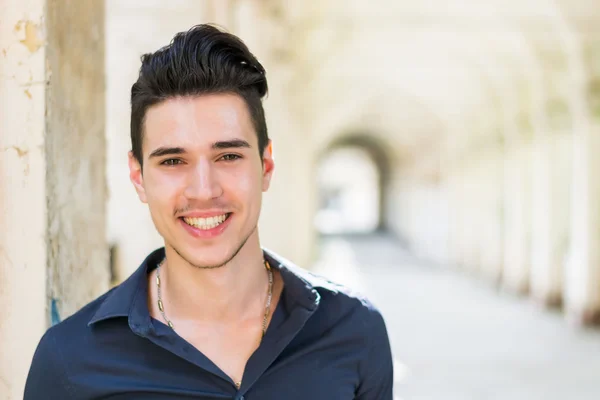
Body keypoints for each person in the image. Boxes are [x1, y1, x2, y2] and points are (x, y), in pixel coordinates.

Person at [24, 24, 394, 399]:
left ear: (265, 166)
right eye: (173, 161)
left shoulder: (354, 331)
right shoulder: (68, 361)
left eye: (228, 156)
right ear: (138, 178)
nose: (204, 191)